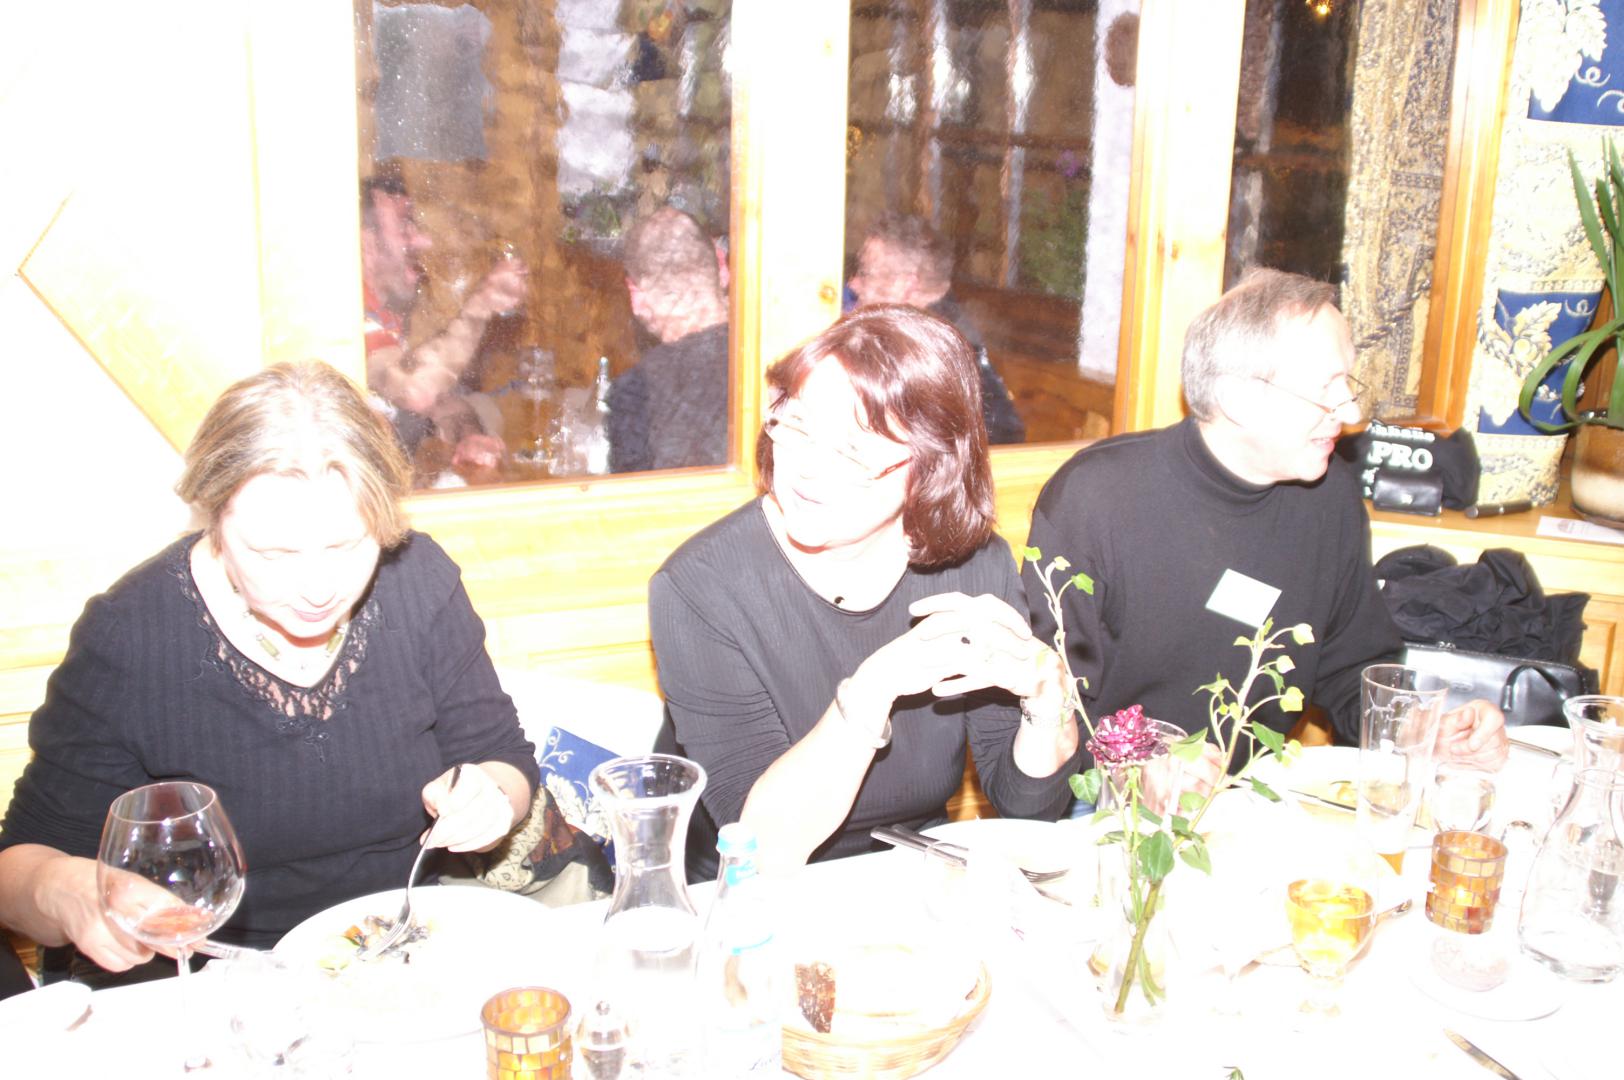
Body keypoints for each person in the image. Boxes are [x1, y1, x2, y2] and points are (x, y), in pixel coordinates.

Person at [0, 362, 539, 981]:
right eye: (274, 554)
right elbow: (18, 865)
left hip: (403, 950)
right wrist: (65, 890)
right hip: (214, 971)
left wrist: (493, 797)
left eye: (347, 545)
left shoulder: (418, 579)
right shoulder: (132, 635)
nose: (318, 588)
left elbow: (503, 756)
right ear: (215, 519)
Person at [650, 305, 1080, 875]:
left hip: (912, 876)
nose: (807, 469)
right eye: (796, 427)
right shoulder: (701, 588)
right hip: (743, 893)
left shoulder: (975, 565)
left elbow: (1027, 809)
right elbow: (761, 848)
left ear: (933, 464)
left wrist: (1048, 703)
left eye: (855, 450)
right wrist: (872, 690)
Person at [1024, 268, 1508, 771]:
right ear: (1237, 399)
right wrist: (1140, 771)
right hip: (1106, 797)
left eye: (1348, 381)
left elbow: (1350, 670)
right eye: (1326, 388)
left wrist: (1422, 731)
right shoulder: (1097, 499)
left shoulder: (1329, 496)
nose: (1350, 411)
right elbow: (1048, 710)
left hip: (1252, 793)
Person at [360, 175, 523, 469]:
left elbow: (446, 404)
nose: (424, 241)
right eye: (404, 227)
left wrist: (470, 437)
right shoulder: (346, 318)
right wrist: (481, 306)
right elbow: (416, 391)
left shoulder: (386, 317)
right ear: (366, 244)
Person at [847, 213, 1026, 445]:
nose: (853, 284)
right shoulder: (913, 331)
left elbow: (1003, 435)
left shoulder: (941, 352)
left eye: (864, 273)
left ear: (905, 285)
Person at [607, 206, 730, 473]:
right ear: (722, 267)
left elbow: (633, 495)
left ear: (637, 298)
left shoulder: (635, 392)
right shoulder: (765, 355)